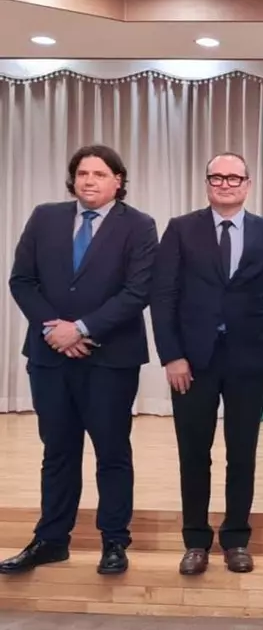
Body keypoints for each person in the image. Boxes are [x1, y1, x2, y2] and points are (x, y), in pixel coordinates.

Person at [1, 144, 158, 576]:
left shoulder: (139, 225)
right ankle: (51, 540)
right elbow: (22, 280)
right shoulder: (45, 217)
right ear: (73, 179)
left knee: (112, 453)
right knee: (58, 452)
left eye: (100, 173)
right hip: (50, 357)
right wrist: (54, 329)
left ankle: (114, 542)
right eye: (83, 173)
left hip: (110, 360)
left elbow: (138, 291)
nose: (89, 181)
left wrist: (83, 328)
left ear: (118, 181)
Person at [149, 152, 263, 575]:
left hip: (251, 360)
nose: (226, 184)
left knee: (242, 453)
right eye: (218, 177)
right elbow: (163, 296)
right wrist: (172, 355)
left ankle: (236, 539)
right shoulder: (181, 229)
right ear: (207, 183)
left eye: (234, 178)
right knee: (194, 453)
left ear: (247, 184)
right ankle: (196, 541)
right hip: (192, 362)